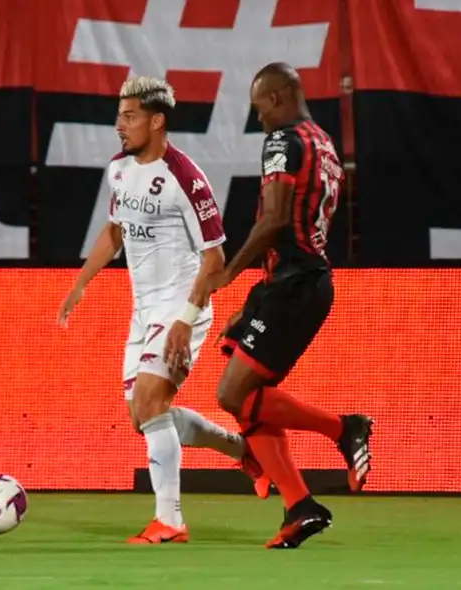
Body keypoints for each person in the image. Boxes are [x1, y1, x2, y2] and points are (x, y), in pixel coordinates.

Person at [169, 62, 373, 549]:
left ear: (278, 97)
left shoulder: (283, 141)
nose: (259, 120)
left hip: (296, 284)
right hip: (295, 281)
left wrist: (227, 273)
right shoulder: (323, 142)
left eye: (260, 108)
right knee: (241, 392)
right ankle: (300, 507)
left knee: (232, 395)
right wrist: (252, 298)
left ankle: (345, 428)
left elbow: (275, 220)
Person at [59, 76, 269, 544]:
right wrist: (80, 284)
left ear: (156, 121)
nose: (120, 125)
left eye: (129, 116)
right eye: (119, 116)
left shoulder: (187, 179)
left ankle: (170, 521)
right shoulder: (119, 169)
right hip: (143, 310)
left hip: (181, 307)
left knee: (152, 403)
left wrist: (185, 320)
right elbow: (114, 232)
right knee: (143, 416)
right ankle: (244, 451)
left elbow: (214, 260)